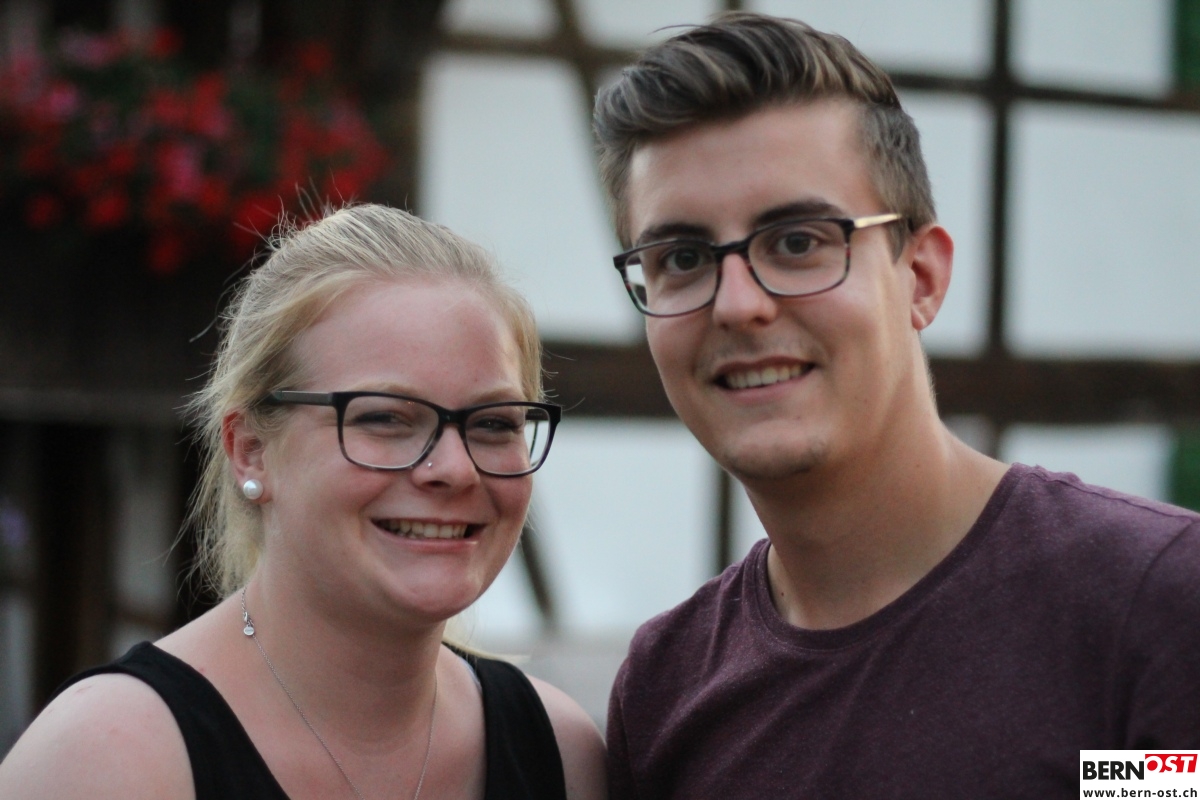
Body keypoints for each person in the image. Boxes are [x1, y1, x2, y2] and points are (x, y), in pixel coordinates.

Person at [593, 12, 1200, 798]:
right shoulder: (664, 692)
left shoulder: (1154, 608)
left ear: (921, 277)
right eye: (681, 258)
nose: (738, 305)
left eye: (799, 241)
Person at [0, 204, 607, 799]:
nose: (454, 469)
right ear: (251, 452)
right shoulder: (108, 760)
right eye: (385, 418)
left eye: (495, 423)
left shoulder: (561, 756)